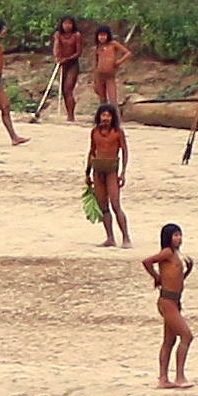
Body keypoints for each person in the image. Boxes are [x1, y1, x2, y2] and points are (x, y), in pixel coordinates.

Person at [142, 224, 194, 389]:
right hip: (168, 302)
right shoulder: (167, 252)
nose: (179, 238)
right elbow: (147, 261)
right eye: (175, 235)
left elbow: (175, 279)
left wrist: (187, 272)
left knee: (169, 340)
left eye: (180, 235)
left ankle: (163, 379)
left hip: (174, 301)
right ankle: (180, 376)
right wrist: (156, 277)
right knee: (186, 336)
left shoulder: (175, 255)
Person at [85, 104, 131, 248]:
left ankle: (126, 237)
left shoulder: (117, 133)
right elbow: (92, 151)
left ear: (113, 118)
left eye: (108, 116)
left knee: (116, 204)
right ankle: (110, 237)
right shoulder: (95, 132)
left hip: (112, 171)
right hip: (98, 170)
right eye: (103, 115)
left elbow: (124, 152)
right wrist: (87, 172)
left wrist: (123, 172)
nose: (105, 118)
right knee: (103, 205)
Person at [52, 15, 82, 121]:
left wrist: (67, 59)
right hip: (62, 64)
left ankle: (71, 116)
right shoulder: (58, 35)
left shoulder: (76, 35)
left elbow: (78, 52)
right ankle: (69, 114)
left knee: (68, 89)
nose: (67, 26)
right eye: (65, 23)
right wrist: (57, 57)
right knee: (63, 91)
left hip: (73, 65)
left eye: (69, 23)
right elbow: (56, 46)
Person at [93, 26, 132, 107]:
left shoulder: (113, 44)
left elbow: (128, 53)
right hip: (99, 75)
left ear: (108, 35)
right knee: (102, 99)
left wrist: (119, 62)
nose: (102, 37)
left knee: (113, 99)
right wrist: (95, 80)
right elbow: (96, 63)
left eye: (104, 35)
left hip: (110, 75)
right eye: (100, 35)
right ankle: (103, 115)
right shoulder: (98, 47)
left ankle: (115, 116)